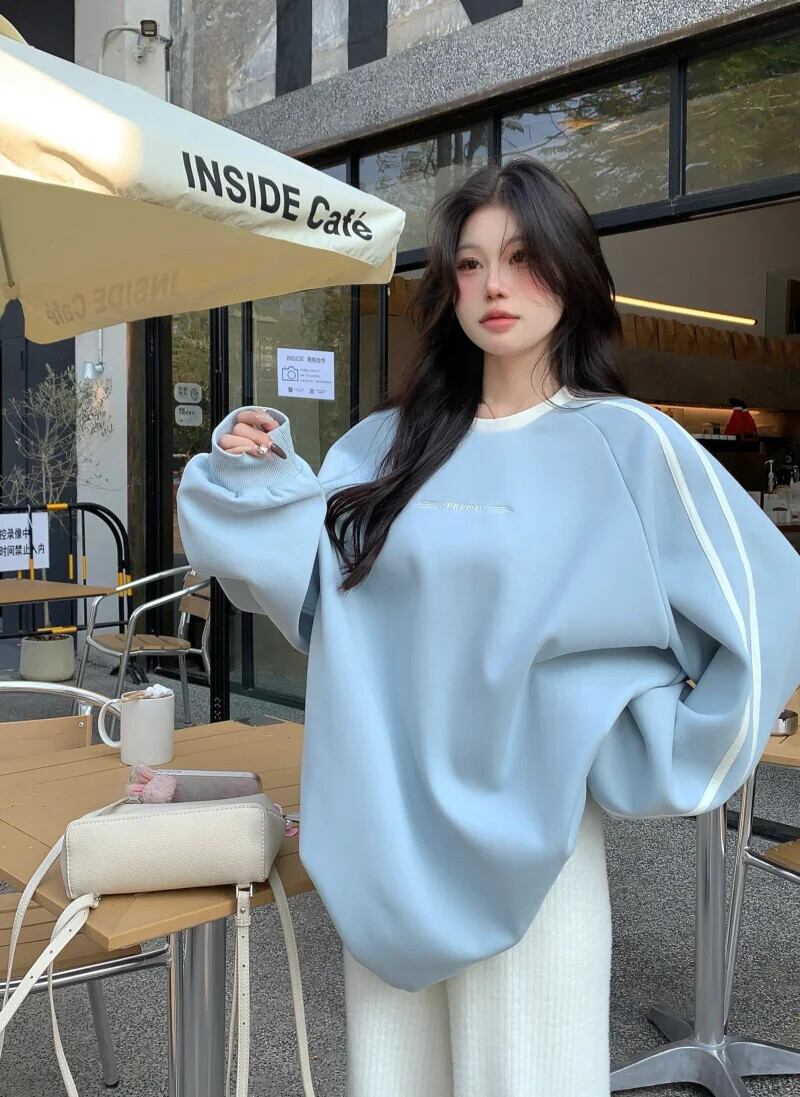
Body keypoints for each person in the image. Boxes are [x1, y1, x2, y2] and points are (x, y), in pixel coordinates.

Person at [176, 157, 800, 1097]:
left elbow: (768, 603)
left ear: (570, 273)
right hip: (389, 843)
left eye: (521, 257)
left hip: (540, 853)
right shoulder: (384, 447)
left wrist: (645, 743)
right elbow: (313, 594)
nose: (494, 285)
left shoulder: (629, 445)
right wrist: (250, 470)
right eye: (470, 264)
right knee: (396, 1079)